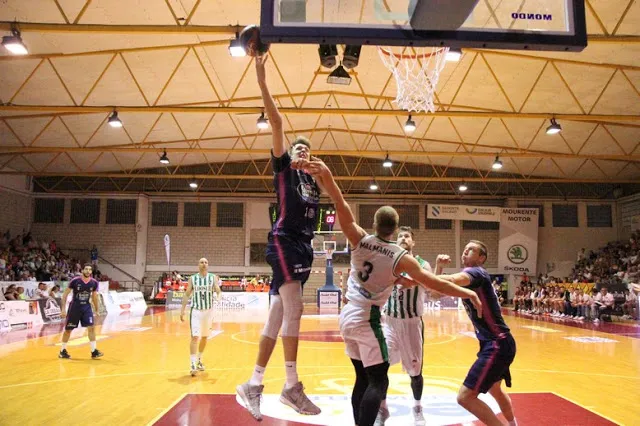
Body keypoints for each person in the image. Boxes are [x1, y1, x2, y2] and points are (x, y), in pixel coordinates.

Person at [294, 156, 482, 426]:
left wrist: (326, 176)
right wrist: (468, 293)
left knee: (362, 378)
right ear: (395, 230)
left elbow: (339, 203)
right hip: (368, 318)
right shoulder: (400, 257)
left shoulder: (359, 238)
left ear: (374, 224)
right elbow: (434, 283)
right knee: (378, 381)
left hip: (347, 315)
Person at [236, 55, 322, 420]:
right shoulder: (285, 170)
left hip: (304, 247)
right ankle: (291, 385)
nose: (302, 151)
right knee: (296, 309)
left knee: (276, 316)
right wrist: (261, 77)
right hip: (284, 241)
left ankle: (253, 383)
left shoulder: (314, 182)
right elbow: (277, 122)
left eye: (306, 149)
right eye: (297, 148)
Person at [436, 242, 517, 426]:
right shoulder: (471, 279)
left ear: (481, 258)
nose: (465, 250)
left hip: (497, 344)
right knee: (495, 390)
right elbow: (435, 293)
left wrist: (416, 274)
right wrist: (439, 267)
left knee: (465, 397)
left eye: (471, 249)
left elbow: (448, 281)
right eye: (465, 248)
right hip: (499, 343)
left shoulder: (476, 273)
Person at [376, 226, 435, 426]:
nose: (403, 238)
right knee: (381, 367)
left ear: (413, 242)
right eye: (400, 236)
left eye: (407, 236)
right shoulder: (388, 262)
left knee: (415, 372)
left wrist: (439, 269)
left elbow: (432, 289)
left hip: (412, 324)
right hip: (389, 322)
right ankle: (382, 409)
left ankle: (417, 407)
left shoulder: (423, 265)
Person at [180, 258, 221, 376]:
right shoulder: (193, 278)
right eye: (202, 262)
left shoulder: (212, 278)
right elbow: (187, 294)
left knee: (204, 337)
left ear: (208, 265)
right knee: (194, 337)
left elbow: (218, 291)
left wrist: (218, 297)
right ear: (198, 265)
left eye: (206, 262)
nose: (204, 264)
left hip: (208, 311)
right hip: (196, 310)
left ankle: (199, 360)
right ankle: (192, 364)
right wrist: (182, 310)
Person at [58, 264, 103, 359]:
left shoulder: (94, 282)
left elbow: (94, 296)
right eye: (86, 269)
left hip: (86, 307)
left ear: (91, 272)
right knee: (68, 330)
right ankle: (62, 351)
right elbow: (65, 295)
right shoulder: (75, 281)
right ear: (82, 270)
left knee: (91, 328)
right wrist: (63, 309)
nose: (88, 271)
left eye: (90, 270)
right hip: (75, 308)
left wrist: (97, 310)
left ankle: (94, 351)